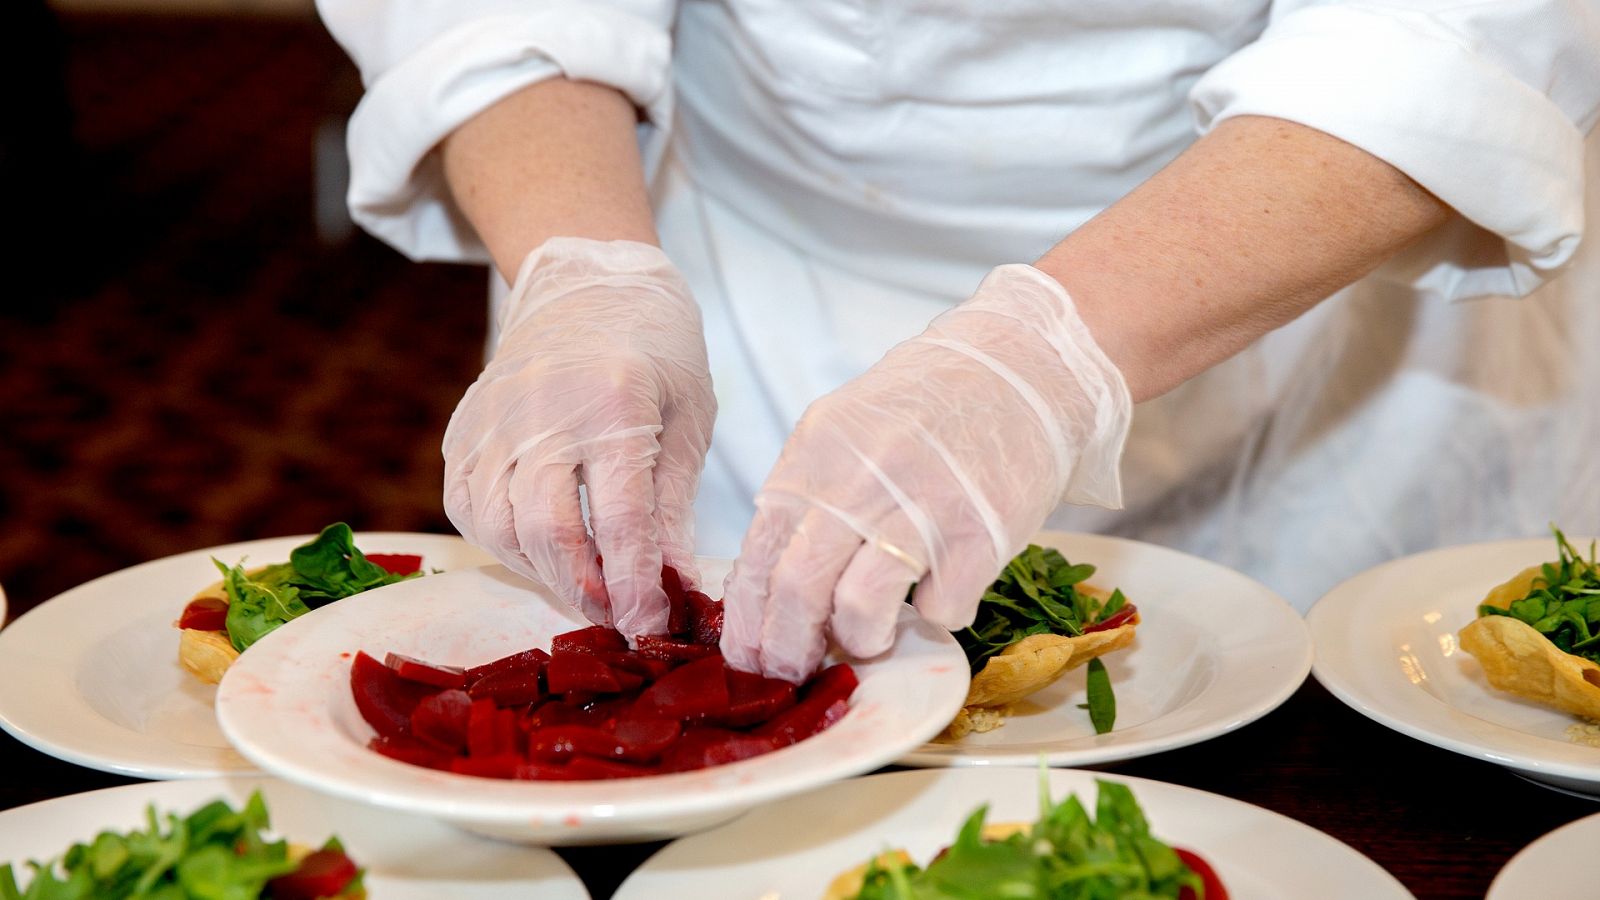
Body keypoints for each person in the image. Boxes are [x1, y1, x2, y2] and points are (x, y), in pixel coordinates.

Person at [319, 0, 1600, 681]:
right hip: (747, 268)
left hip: (1302, 261)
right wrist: (583, 269)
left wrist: (1035, 357)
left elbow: (1452, 38)